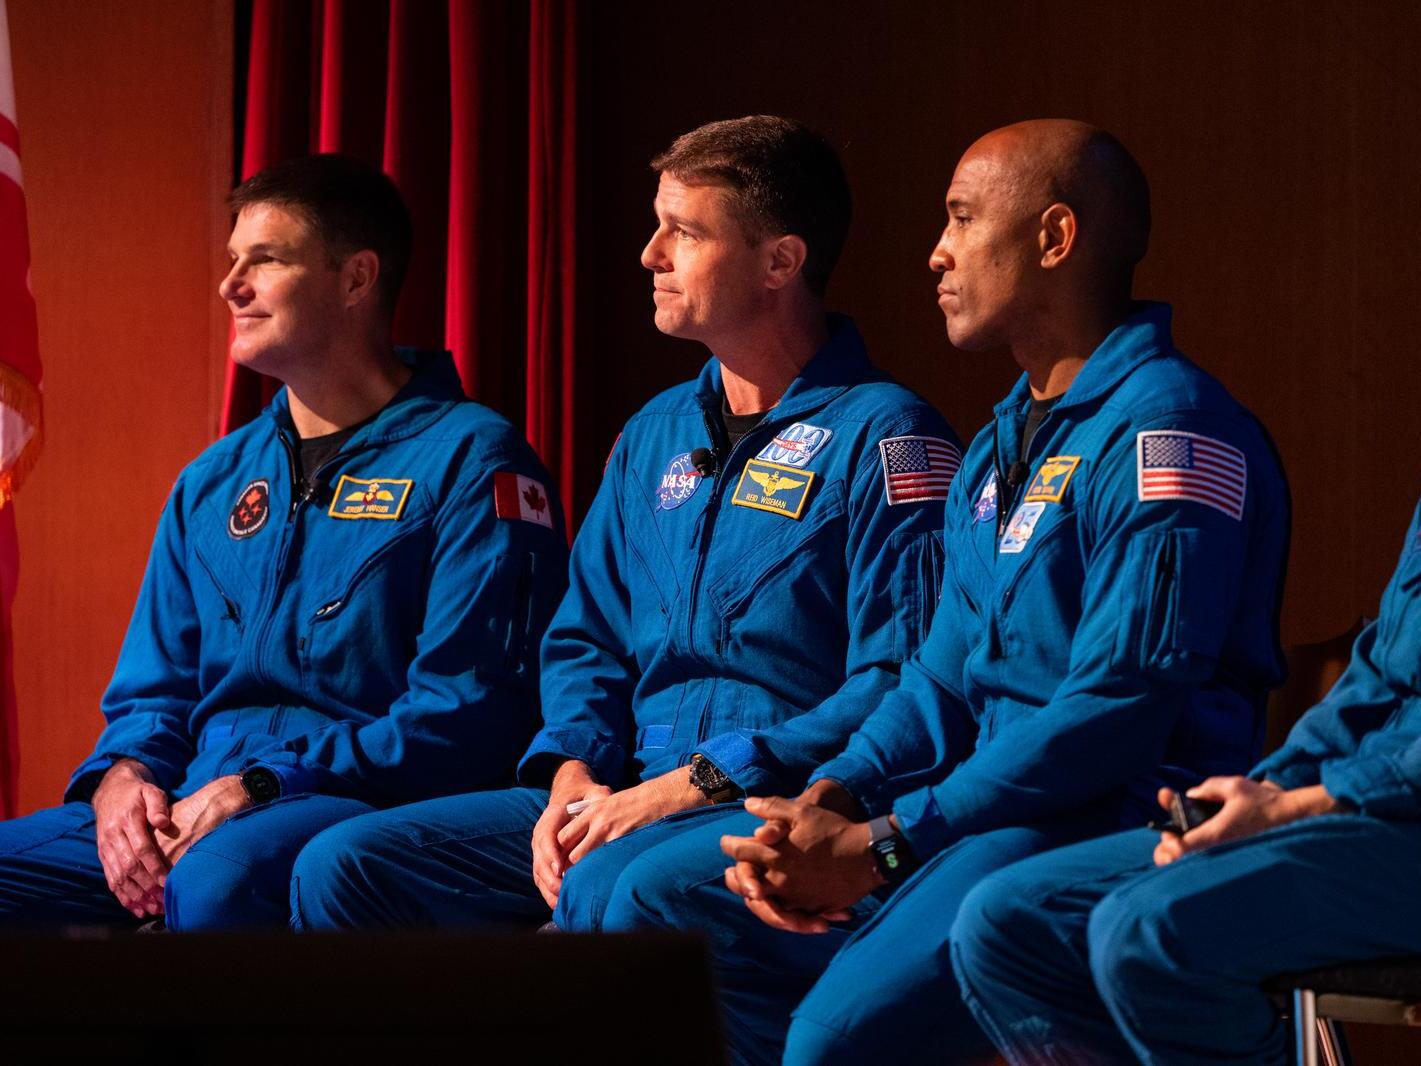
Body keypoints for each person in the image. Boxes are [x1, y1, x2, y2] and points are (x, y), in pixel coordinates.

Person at [584, 119, 1292, 1066]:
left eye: (960, 218)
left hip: (1106, 819)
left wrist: (886, 838)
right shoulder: (1001, 444)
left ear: (1052, 238)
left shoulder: (1168, 433)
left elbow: (1116, 711)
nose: (935, 252)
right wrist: (834, 797)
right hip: (973, 816)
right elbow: (936, 681)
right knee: (670, 899)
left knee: (831, 1041)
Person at [289, 115, 961, 933]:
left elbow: (897, 679)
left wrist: (699, 782)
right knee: (346, 866)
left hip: (774, 798)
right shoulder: (654, 433)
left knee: (620, 888)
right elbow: (586, 640)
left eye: (682, 232)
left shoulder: (889, 436)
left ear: (780, 261)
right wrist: (571, 772)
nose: (650, 254)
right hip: (627, 783)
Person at [0, 154, 568, 931]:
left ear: (356, 279)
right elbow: (153, 690)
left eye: (264, 260)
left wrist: (266, 783)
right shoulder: (215, 478)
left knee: (214, 885)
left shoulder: (472, 460)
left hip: (351, 800)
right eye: (233, 261)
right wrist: (122, 782)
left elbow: (467, 714)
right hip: (196, 797)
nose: (231, 285)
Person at [951, 494, 1421, 1066]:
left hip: (1390, 815)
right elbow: (1377, 678)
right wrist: (1273, 789)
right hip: (1358, 805)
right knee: (1008, 919)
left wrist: (1307, 805)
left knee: (1148, 933)